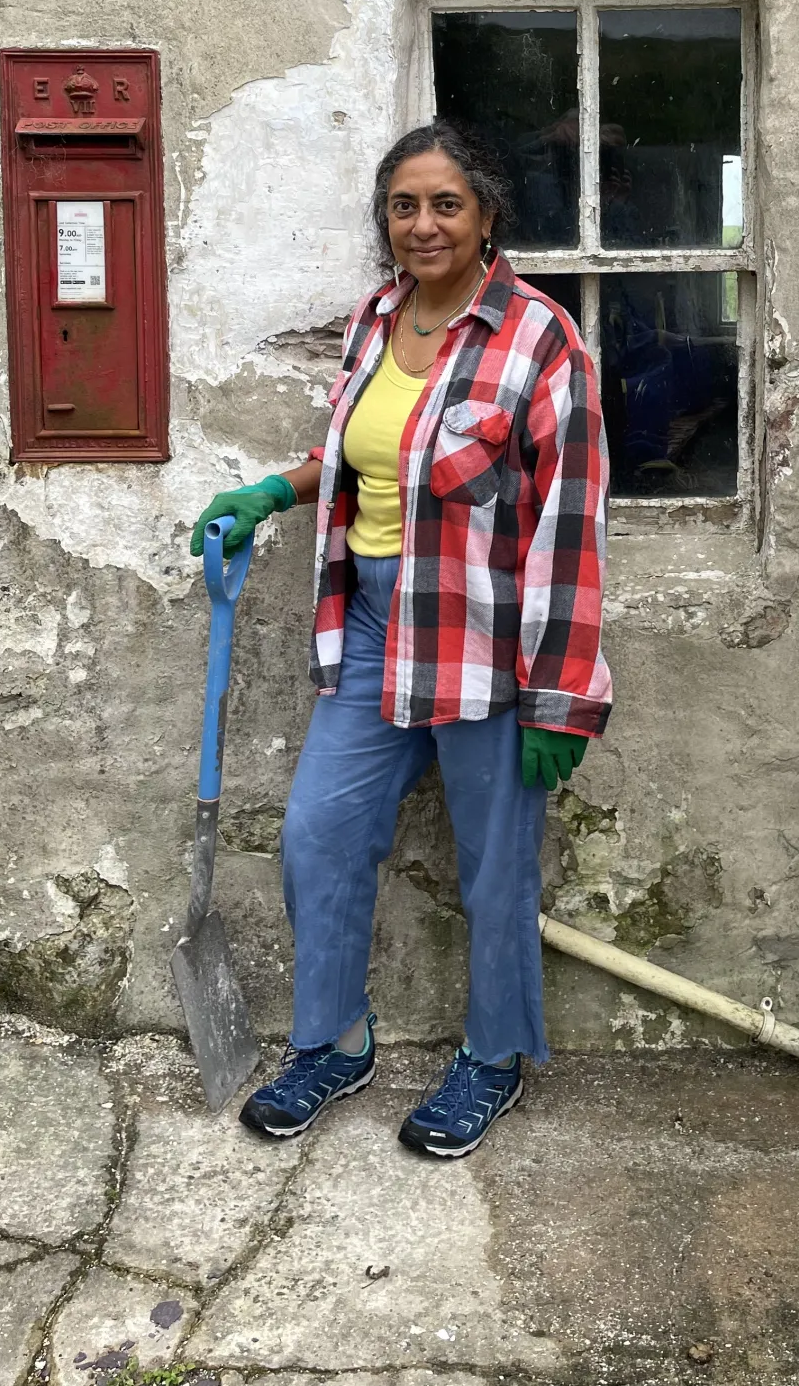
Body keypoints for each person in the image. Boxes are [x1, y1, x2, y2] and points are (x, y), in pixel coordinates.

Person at [189, 119, 611, 1158]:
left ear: (486, 217)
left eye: (444, 205)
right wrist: (272, 493)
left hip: (486, 643)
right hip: (374, 628)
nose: (422, 225)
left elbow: (571, 521)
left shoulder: (538, 338)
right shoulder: (377, 320)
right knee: (318, 835)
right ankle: (336, 1042)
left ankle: (493, 1060)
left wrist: (560, 694)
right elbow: (365, 454)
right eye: (403, 206)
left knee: (493, 868)